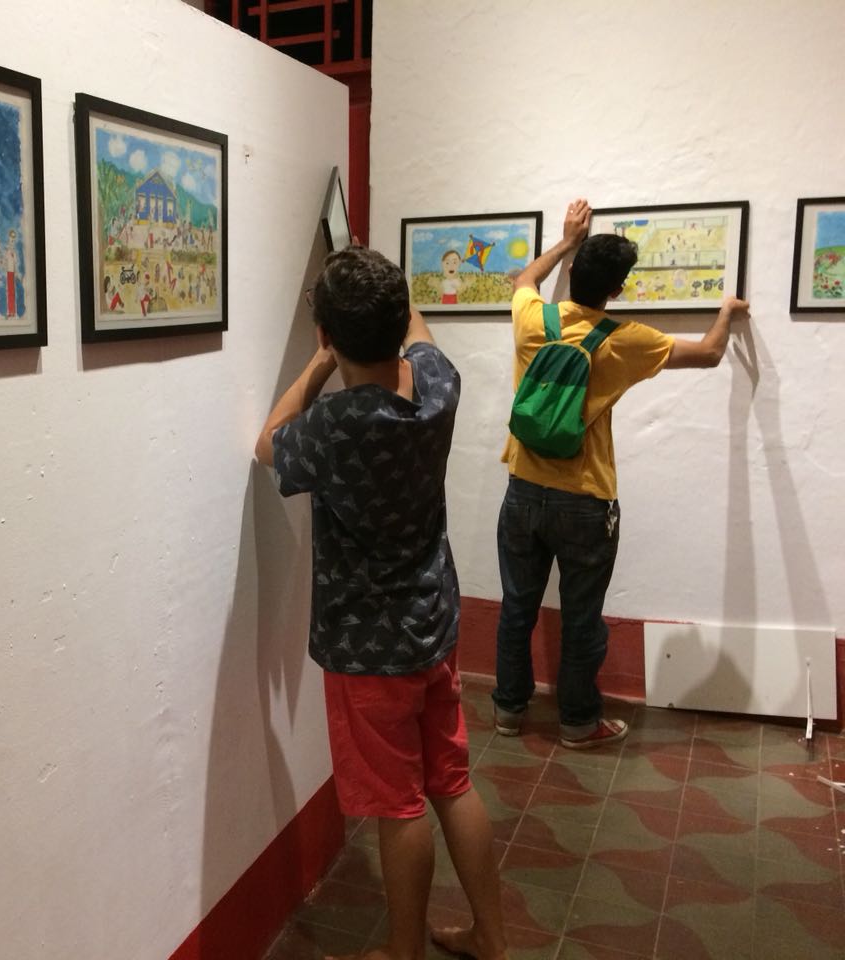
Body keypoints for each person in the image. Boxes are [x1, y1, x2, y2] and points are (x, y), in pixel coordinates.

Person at [255, 246, 508, 960]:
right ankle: (493, 939)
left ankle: (403, 954)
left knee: (399, 808)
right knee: (452, 784)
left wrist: (316, 366)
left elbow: (268, 444)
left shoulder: (334, 425)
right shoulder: (438, 385)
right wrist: (388, 298)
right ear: (398, 322)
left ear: (327, 336)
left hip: (367, 650)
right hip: (435, 624)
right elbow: (418, 335)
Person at [493, 198, 750, 749]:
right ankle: (577, 723)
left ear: (573, 273)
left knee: (516, 609)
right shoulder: (625, 339)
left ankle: (508, 712)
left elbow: (523, 279)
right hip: (584, 501)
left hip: (522, 491)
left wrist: (566, 240)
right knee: (582, 618)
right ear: (615, 289)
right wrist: (727, 310)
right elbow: (709, 354)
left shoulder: (533, 320)